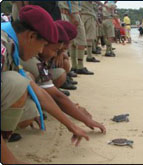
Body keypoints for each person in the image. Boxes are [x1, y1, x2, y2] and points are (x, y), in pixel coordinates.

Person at [1, 5, 91, 146]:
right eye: (43, 45)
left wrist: (72, 126)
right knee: (17, 82)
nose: (41, 50)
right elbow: (54, 95)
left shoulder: (14, 44)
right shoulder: (3, 45)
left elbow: (41, 93)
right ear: (31, 36)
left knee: (30, 109)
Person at [20, 19, 106, 138]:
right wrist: (80, 122)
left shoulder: (30, 48)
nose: (56, 54)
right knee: (29, 112)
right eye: (55, 50)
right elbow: (56, 96)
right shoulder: (32, 60)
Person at [58, 1, 95, 75]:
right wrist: (72, 17)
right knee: (81, 41)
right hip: (73, 15)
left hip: (73, 15)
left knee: (73, 42)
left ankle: (74, 66)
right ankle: (80, 66)